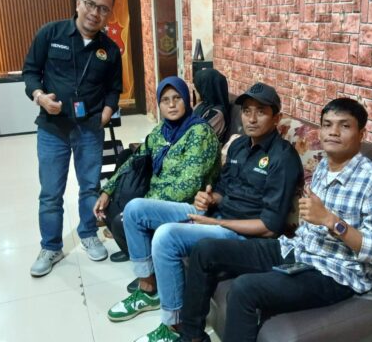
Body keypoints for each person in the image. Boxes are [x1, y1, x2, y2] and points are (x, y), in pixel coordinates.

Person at [179, 98, 372, 342]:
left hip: (335, 272)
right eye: (327, 125)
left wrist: (331, 221)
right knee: (205, 250)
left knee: (244, 289)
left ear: (361, 134)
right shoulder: (324, 167)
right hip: (297, 250)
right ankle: (192, 337)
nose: (334, 132)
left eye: (344, 126)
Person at [106, 82, 304, 342]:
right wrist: (210, 198)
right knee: (135, 209)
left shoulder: (283, 158)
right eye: (246, 111)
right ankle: (148, 289)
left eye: (261, 111)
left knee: (166, 236)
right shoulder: (239, 146)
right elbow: (222, 189)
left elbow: (269, 227)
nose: (252, 118)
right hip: (215, 215)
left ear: (276, 117)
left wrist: (214, 222)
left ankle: (174, 325)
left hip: (241, 233)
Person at [23, 0, 122, 277]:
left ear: (108, 14)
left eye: (103, 9)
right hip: (52, 128)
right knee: (50, 193)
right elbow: (31, 72)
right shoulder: (50, 33)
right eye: (90, 4)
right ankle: (51, 246)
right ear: (78, 3)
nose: (95, 13)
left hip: (90, 129)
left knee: (90, 187)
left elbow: (114, 89)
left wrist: (105, 115)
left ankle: (89, 233)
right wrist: (40, 97)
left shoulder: (110, 49)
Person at [93, 76, 220, 263]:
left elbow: (188, 186)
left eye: (177, 98)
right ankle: (134, 250)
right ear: (159, 104)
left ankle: (149, 269)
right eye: (165, 100)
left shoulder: (199, 132)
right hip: (158, 197)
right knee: (110, 206)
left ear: (187, 99)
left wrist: (146, 203)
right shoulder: (163, 130)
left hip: (188, 204)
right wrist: (107, 190)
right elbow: (135, 158)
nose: (172, 105)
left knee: (123, 219)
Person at [192, 68, 231, 141]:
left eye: (198, 87)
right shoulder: (202, 105)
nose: (194, 90)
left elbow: (198, 137)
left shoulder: (216, 114)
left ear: (206, 88)